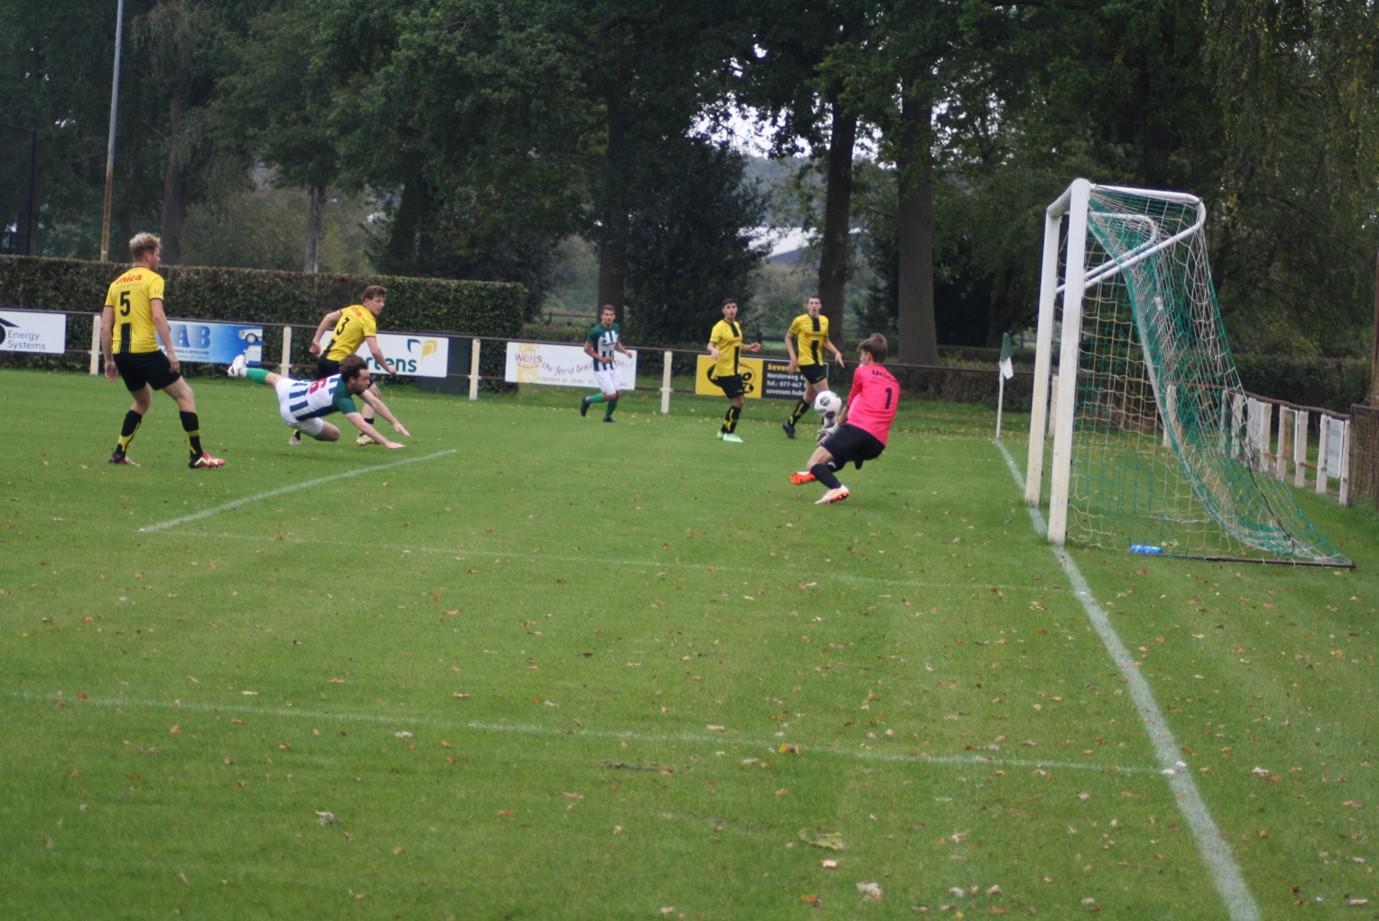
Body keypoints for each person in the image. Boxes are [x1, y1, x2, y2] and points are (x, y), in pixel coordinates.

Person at [100, 232, 225, 469]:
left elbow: (106, 326)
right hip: (145, 351)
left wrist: (108, 359)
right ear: (147, 256)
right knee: (185, 395)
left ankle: (119, 453)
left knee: (142, 400)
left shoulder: (116, 284)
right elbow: (158, 315)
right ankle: (196, 455)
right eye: (157, 254)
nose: (159, 259)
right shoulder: (152, 279)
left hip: (122, 354)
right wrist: (170, 351)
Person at [789, 333, 899, 504]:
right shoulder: (894, 382)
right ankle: (820, 472)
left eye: (861, 355)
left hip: (857, 431)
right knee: (838, 458)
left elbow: (850, 403)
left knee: (812, 462)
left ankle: (835, 486)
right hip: (877, 444)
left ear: (868, 356)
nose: (860, 359)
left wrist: (835, 428)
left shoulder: (862, 371)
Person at [227, 354, 410, 448]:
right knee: (335, 434)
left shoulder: (346, 379)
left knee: (274, 378)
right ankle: (297, 431)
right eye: (364, 379)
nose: (367, 382)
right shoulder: (342, 397)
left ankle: (239, 371)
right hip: (292, 414)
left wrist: (394, 422)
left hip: (295, 389)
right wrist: (386, 442)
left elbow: (374, 403)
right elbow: (362, 425)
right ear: (352, 380)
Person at [303, 285, 398, 445]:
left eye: (383, 301)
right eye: (378, 301)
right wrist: (388, 368)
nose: (382, 305)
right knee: (373, 394)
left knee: (313, 398)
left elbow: (328, 317)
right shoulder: (368, 319)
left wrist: (316, 340)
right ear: (366, 301)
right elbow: (374, 351)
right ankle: (364, 433)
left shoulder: (352, 309)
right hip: (339, 364)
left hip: (325, 360)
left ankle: (297, 430)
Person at [781, 295, 845, 439]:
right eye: (811, 303)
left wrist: (836, 352)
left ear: (820, 306)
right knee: (826, 396)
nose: (814, 306)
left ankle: (790, 423)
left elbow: (825, 341)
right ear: (807, 306)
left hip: (818, 362)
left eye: (816, 303)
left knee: (808, 397)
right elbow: (788, 337)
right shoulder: (800, 320)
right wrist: (793, 358)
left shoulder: (824, 321)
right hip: (806, 362)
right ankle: (826, 432)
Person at [706, 298, 761, 443]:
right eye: (728, 307)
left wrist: (749, 347)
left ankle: (723, 430)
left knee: (738, 401)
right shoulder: (719, 327)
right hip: (725, 371)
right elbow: (710, 345)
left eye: (734, 307)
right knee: (739, 402)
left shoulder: (736, 325)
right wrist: (714, 351)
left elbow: (737, 344)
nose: (731, 310)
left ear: (737, 309)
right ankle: (728, 433)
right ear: (723, 311)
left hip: (735, 371)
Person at [579, 304, 633, 423]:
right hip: (600, 368)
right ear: (602, 316)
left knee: (617, 394)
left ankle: (607, 417)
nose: (609, 317)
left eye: (611, 315)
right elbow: (586, 349)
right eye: (606, 315)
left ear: (614, 317)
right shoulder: (595, 331)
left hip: (612, 366)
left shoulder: (616, 327)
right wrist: (600, 358)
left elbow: (615, 344)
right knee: (611, 395)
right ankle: (587, 400)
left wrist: (625, 352)